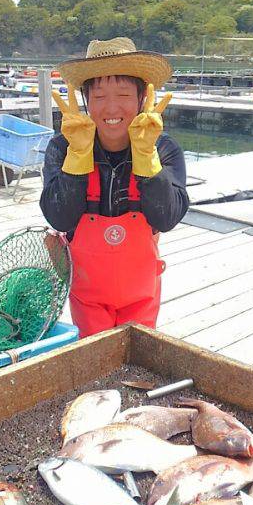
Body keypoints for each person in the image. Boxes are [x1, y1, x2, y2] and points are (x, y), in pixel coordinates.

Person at [40, 36, 189, 339]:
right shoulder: (62, 146)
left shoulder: (164, 148)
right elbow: (59, 219)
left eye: (122, 94)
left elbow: (167, 218)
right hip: (87, 294)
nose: (111, 107)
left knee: (138, 358)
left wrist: (146, 157)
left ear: (142, 99)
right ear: (85, 101)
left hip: (141, 293)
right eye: (98, 96)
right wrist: (79, 155)